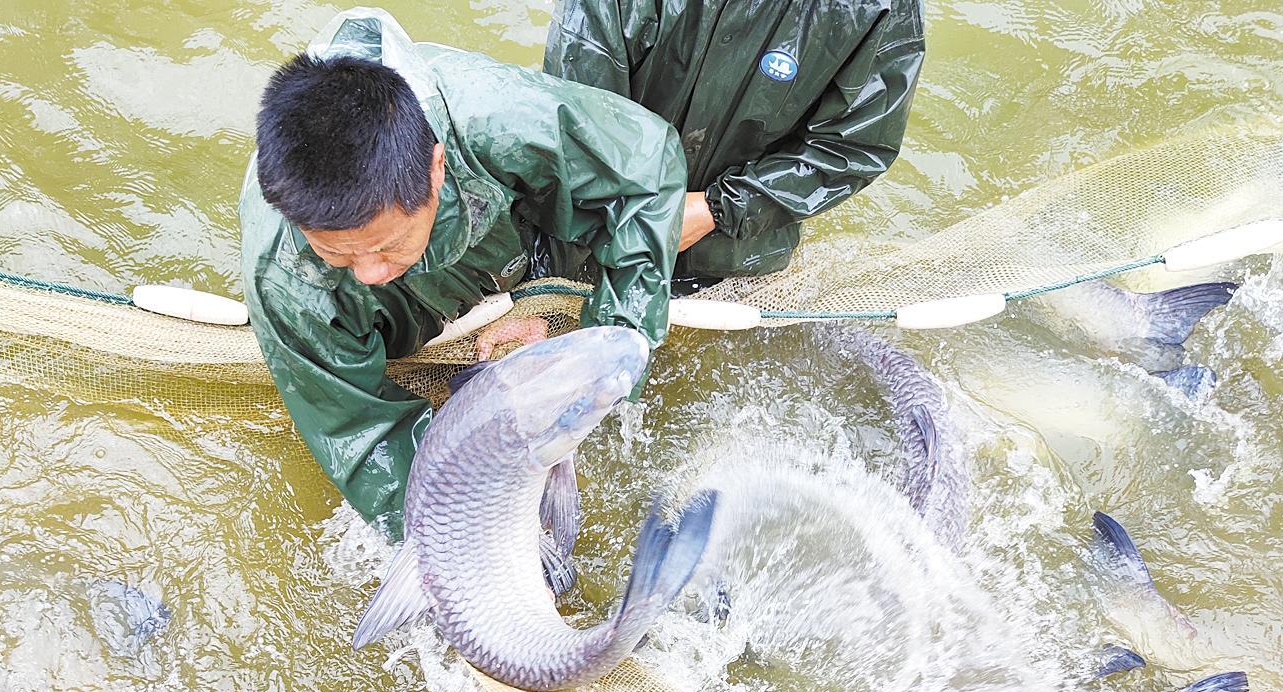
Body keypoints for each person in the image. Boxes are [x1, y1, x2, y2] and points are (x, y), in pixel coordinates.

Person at [239, 10, 686, 536]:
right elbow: (360, 436)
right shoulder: (282, 274)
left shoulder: (504, 121)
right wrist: (464, 535)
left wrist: (583, 337)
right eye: (337, 254)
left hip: (512, 242)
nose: (369, 273)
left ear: (436, 167)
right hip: (397, 321)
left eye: (387, 245)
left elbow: (647, 173)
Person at [544, 0, 926, 287]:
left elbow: (854, 145)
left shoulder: (880, 8)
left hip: (737, 256)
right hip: (600, 237)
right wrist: (542, 274)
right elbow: (574, 120)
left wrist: (718, 208)